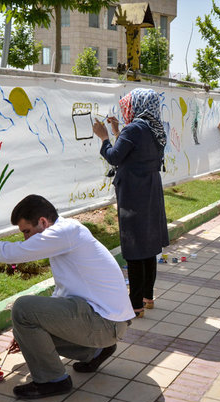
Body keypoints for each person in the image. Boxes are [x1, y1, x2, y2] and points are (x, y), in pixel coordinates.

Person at [0, 195, 134, 399]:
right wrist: (25, 334)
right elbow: (65, 294)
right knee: (27, 323)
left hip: (106, 324)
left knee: (23, 308)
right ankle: (94, 353)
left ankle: (53, 381)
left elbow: (16, 252)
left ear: (43, 222)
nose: (26, 238)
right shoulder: (68, 233)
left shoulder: (63, 233)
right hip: (108, 322)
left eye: (27, 231)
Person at [93, 88, 170, 318]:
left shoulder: (135, 128)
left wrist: (105, 137)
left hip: (134, 192)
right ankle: (147, 297)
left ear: (138, 105)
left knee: (135, 245)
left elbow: (115, 156)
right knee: (148, 243)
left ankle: (135, 305)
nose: (127, 108)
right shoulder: (154, 127)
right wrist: (119, 131)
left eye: (129, 104)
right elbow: (134, 151)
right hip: (150, 189)